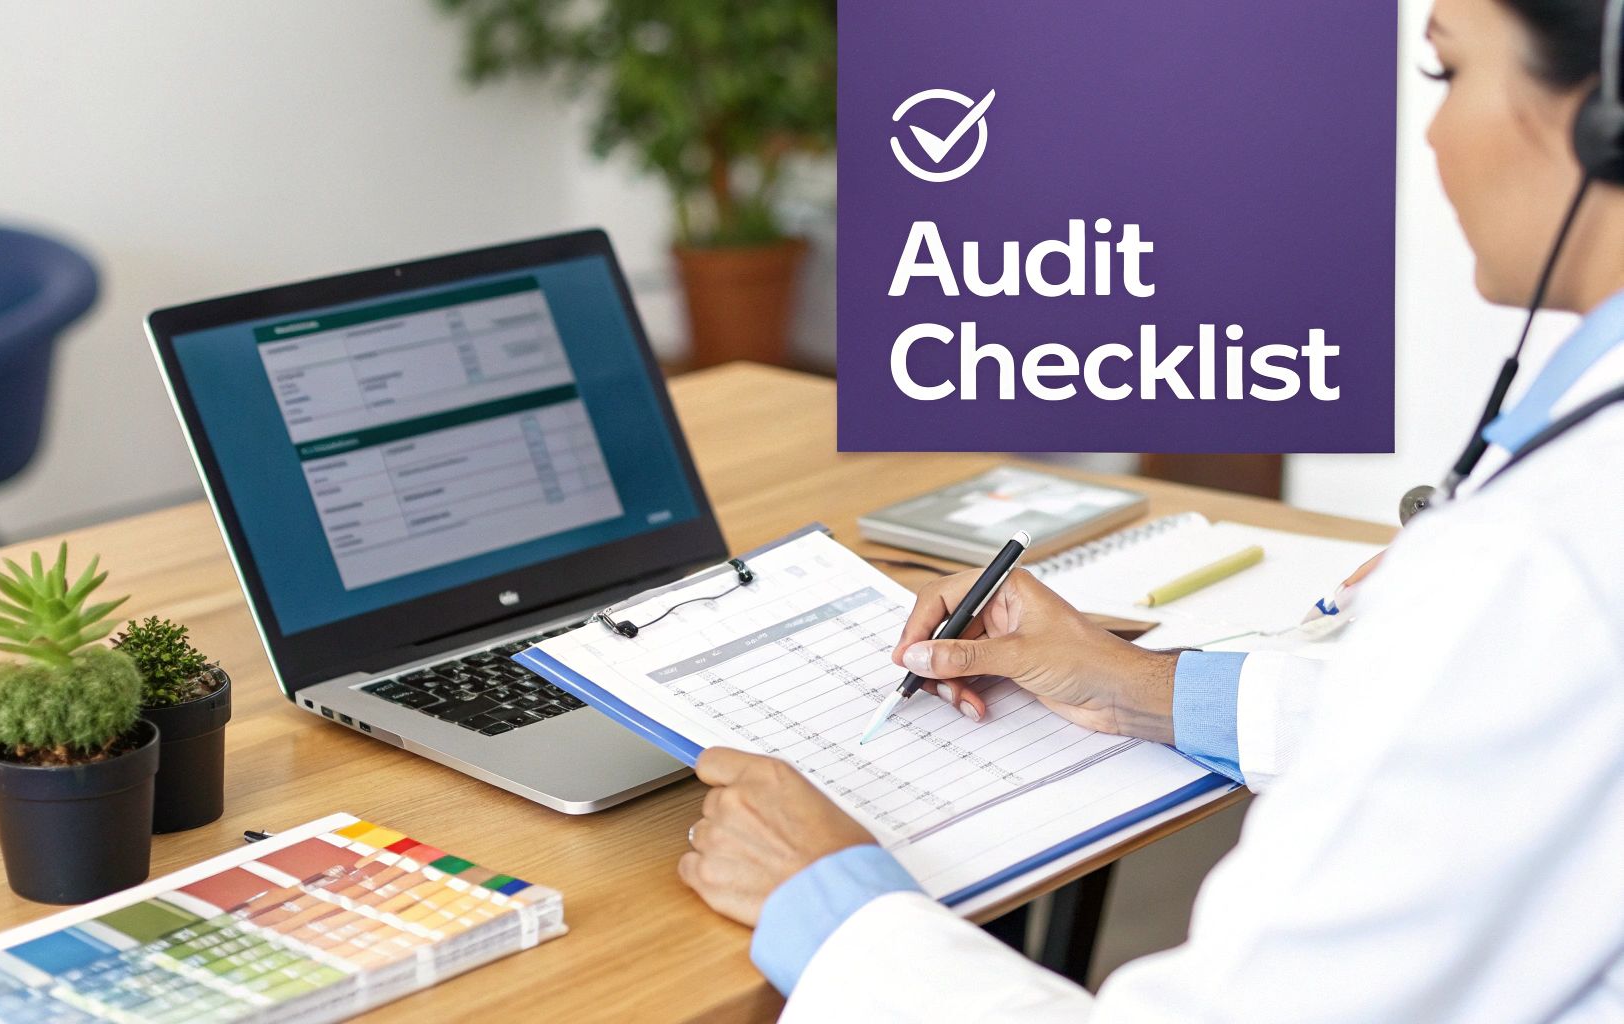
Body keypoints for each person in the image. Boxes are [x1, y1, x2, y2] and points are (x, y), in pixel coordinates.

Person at [677, 0, 1624, 1018]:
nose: (1427, 132)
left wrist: (833, 903)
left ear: (1601, 116)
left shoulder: (1535, 559)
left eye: (1443, 73)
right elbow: (1487, 749)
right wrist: (1139, 685)